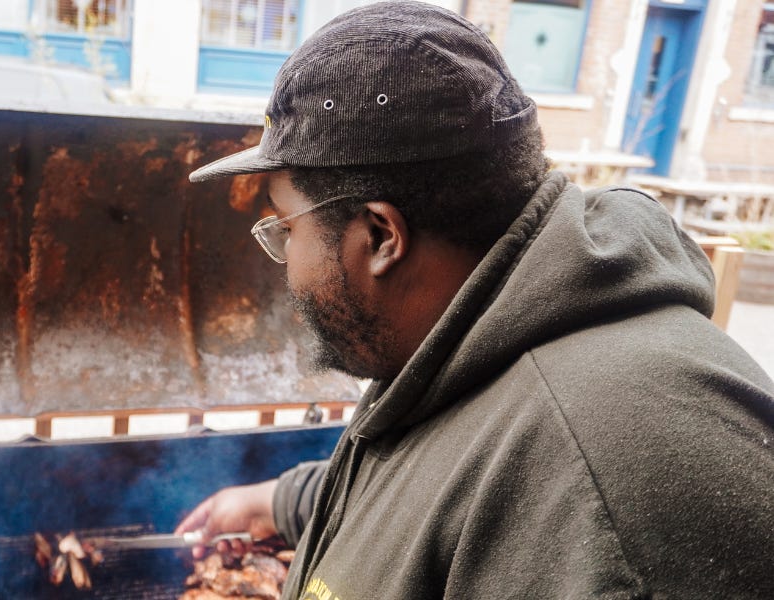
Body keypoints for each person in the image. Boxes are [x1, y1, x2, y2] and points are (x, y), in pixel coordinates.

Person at [174, 2, 774, 598]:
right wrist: (278, 501)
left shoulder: (603, 494)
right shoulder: (470, 335)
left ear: (381, 236)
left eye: (285, 227)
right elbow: (440, 485)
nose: (285, 262)